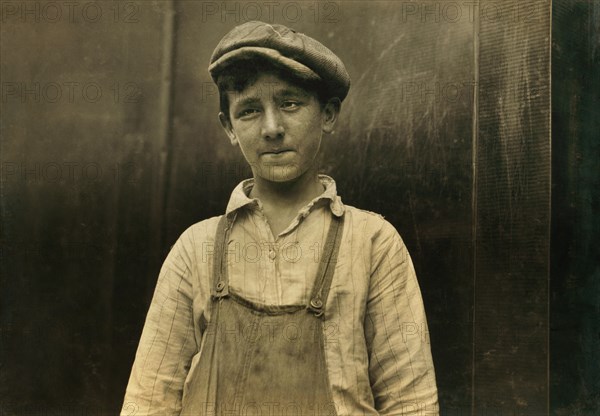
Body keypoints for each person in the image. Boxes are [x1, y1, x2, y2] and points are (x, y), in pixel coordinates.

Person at [121, 21, 439, 416]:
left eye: (290, 104)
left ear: (328, 113)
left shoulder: (374, 243)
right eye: (250, 110)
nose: (272, 129)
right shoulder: (195, 249)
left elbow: (412, 404)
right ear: (229, 128)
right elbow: (147, 401)